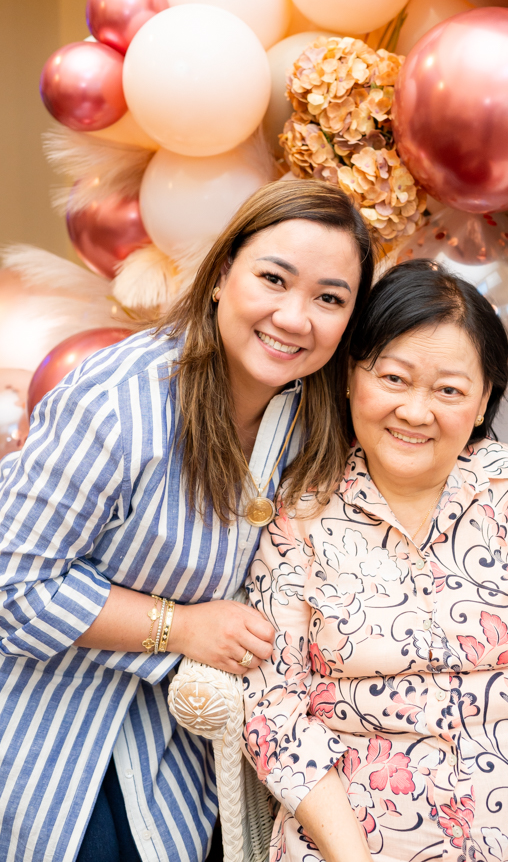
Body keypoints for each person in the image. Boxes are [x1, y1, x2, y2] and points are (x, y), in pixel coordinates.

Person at [0, 179, 375, 862]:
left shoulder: (313, 416)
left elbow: (428, 432)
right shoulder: (120, 398)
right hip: (52, 727)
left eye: (329, 298)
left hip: (189, 744)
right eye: (272, 279)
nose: (294, 318)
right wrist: (181, 627)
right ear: (220, 276)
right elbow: (13, 587)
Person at [243, 259, 508, 862]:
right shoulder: (298, 514)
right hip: (351, 842)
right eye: (394, 378)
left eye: (449, 390)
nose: (415, 411)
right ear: (353, 378)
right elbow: (271, 707)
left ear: (484, 400)